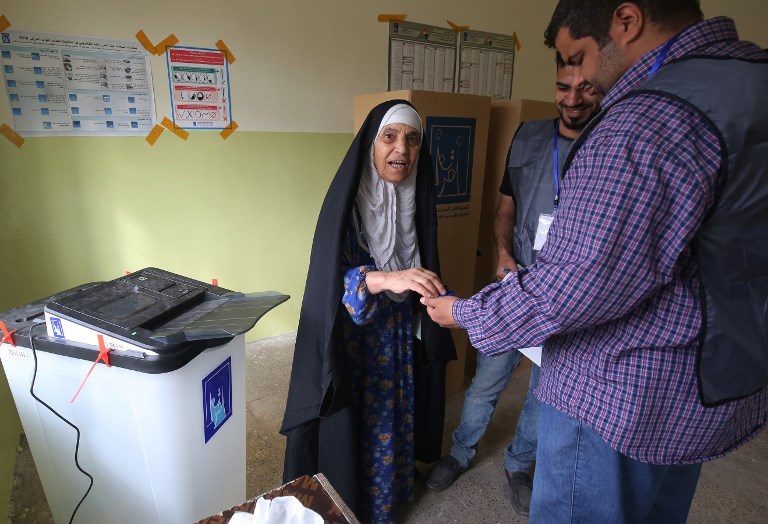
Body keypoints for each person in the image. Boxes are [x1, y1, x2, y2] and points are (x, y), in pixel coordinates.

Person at [421, 1, 768, 522]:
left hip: (619, 396)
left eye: (579, 57)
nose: (581, 80)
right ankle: (463, 450)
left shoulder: (648, 118)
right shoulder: (750, 82)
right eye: (565, 74)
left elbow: (575, 285)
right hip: (708, 383)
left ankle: (519, 460)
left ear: (626, 22)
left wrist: (464, 313)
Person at [425, 60, 601, 518]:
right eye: (564, 86)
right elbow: (506, 207)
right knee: (486, 381)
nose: (573, 98)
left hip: (567, 300)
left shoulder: (611, 143)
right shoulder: (529, 137)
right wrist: (502, 254)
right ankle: (461, 452)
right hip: (514, 284)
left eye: (587, 89)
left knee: (544, 394)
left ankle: (519, 465)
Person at [280, 99, 456, 523]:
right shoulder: (348, 204)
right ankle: (351, 503)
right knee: (360, 417)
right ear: (371, 145)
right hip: (352, 341)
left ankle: (387, 497)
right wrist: (385, 279)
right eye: (390, 137)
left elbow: (418, 266)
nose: (403, 149)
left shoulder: (414, 200)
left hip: (397, 332)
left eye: (413, 140)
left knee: (393, 413)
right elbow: (329, 283)